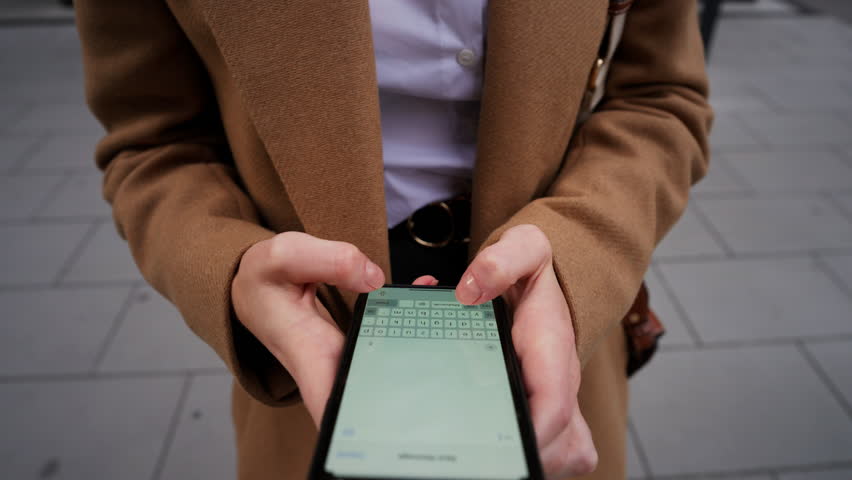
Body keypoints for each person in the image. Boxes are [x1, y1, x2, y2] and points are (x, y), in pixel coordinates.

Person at [75, 0, 711, 478]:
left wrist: (582, 249)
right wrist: (229, 264)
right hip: (309, 337)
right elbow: (152, 139)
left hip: (549, 324)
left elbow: (662, 97)